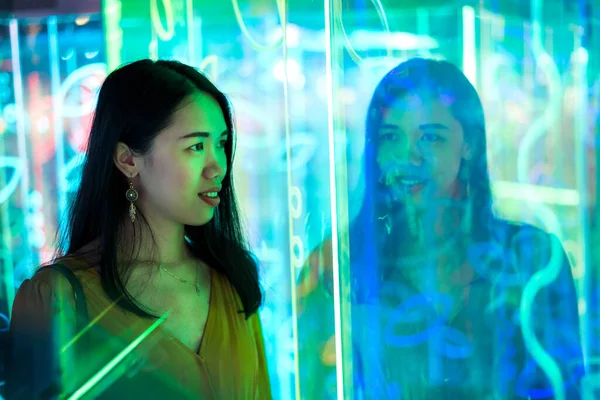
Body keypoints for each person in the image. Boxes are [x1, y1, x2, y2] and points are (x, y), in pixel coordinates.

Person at [297, 58, 584, 399]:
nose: (408, 156)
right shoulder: (337, 268)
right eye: (391, 137)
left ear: (469, 145)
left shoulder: (531, 259)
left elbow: (565, 386)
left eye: (430, 137)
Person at [6, 59, 271, 399]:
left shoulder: (231, 280)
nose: (217, 165)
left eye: (221, 143)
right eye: (196, 146)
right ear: (128, 160)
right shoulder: (58, 299)